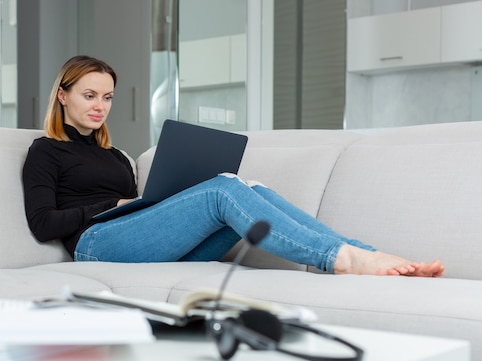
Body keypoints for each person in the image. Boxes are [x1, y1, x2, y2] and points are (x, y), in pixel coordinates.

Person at [22, 55, 444, 278]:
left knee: (249, 191)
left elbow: (142, 214)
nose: (100, 107)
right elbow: (43, 223)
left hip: (139, 241)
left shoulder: (117, 156)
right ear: (63, 95)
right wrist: (112, 203)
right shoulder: (47, 151)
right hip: (95, 245)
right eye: (90, 95)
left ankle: (365, 253)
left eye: (108, 97)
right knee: (222, 190)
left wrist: (143, 204)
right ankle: (341, 259)